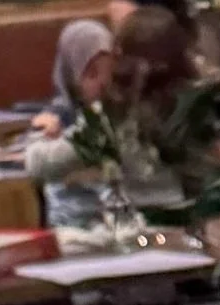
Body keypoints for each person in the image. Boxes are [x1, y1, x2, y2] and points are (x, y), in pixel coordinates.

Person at [24, 8, 194, 249]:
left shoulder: (113, 119)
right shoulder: (194, 105)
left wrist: (38, 137)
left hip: (139, 239)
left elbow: (38, 165)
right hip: (185, 234)